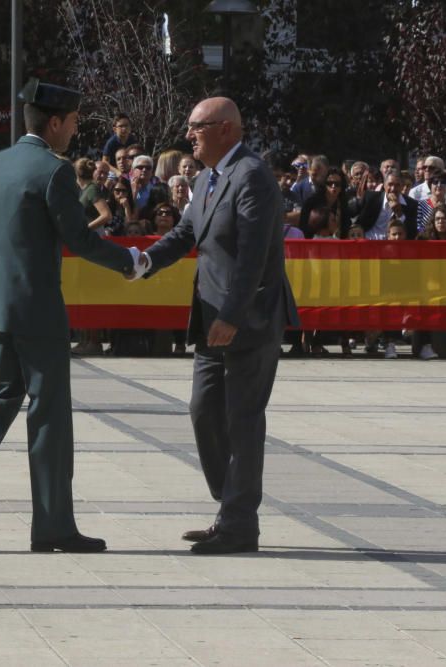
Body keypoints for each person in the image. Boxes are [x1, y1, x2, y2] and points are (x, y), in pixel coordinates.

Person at [0, 78, 141, 553]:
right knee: (50, 413)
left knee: (2, 400)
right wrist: (130, 262)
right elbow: (79, 238)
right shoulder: (53, 172)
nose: (75, 131)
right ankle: (53, 525)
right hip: (37, 308)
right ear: (54, 122)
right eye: (74, 122)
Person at [136, 96, 299, 555]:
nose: (189, 134)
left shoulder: (252, 177)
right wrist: (144, 261)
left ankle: (239, 522)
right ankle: (228, 505)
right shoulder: (207, 178)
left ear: (226, 129)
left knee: (243, 420)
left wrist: (232, 314)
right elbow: (186, 234)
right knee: (203, 410)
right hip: (212, 320)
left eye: (197, 126)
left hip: (248, 318)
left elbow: (252, 258)